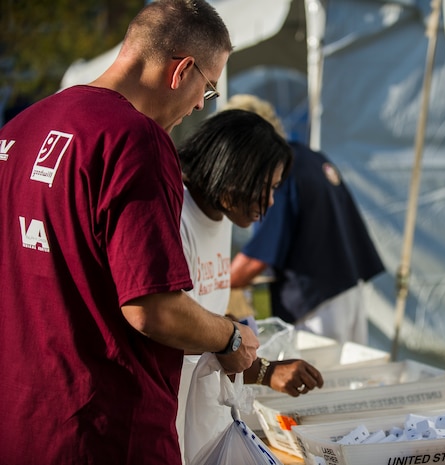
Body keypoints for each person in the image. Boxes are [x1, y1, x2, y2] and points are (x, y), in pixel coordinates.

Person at [0, 2, 259, 464]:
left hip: (19, 423)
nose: (202, 104)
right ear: (182, 70)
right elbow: (150, 307)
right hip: (105, 431)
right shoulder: (133, 138)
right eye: (209, 86)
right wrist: (229, 337)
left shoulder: (18, 130)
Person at [176, 108, 324, 459]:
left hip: (201, 416)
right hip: (171, 420)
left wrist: (266, 370)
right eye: (266, 188)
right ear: (233, 173)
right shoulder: (177, 218)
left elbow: (209, 322)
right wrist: (261, 366)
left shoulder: (222, 217)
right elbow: (171, 326)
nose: (270, 202)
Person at [226, 94, 386, 345]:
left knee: (320, 377)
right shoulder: (314, 158)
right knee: (354, 374)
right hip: (348, 289)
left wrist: (217, 281)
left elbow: (259, 256)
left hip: (316, 301)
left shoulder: (280, 170)